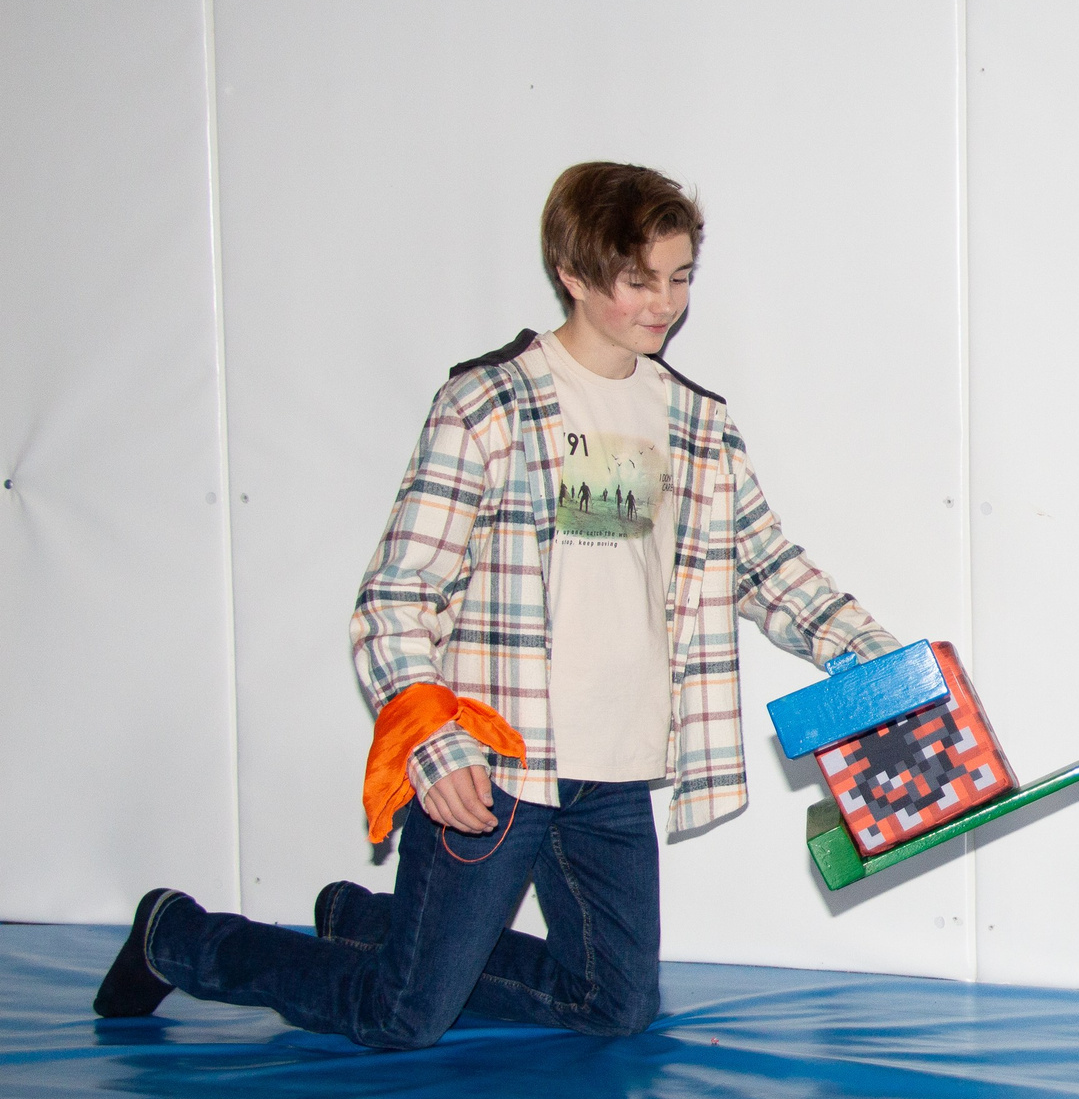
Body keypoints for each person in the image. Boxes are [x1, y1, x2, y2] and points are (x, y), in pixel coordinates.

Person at [93, 163, 901, 1048]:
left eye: (679, 277)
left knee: (616, 1006)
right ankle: (177, 933)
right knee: (399, 1016)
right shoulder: (489, 404)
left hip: (613, 770)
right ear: (575, 273)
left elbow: (765, 564)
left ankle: (368, 925)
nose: (664, 303)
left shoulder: (693, 422)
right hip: (500, 764)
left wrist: (872, 653)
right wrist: (434, 746)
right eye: (639, 280)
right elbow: (394, 598)